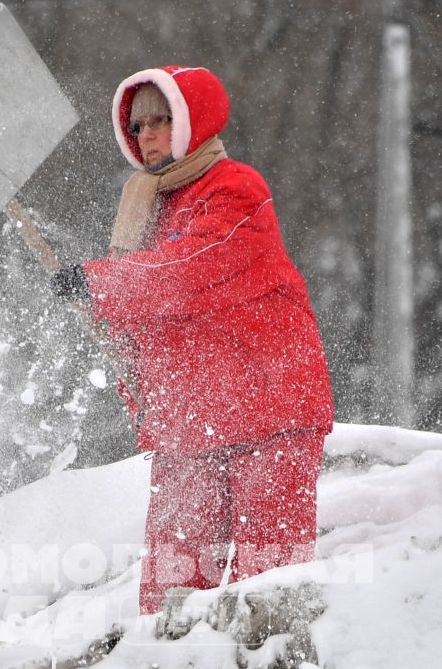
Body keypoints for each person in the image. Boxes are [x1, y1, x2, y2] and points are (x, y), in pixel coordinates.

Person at [52, 65, 333, 615]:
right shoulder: (147, 207)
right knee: (173, 589)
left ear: (190, 122)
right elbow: (150, 325)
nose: (147, 135)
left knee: (269, 582)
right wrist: (144, 396)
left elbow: (191, 271)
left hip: (269, 409)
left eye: (161, 120)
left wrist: (98, 283)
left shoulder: (236, 189)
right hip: (192, 423)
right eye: (138, 127)